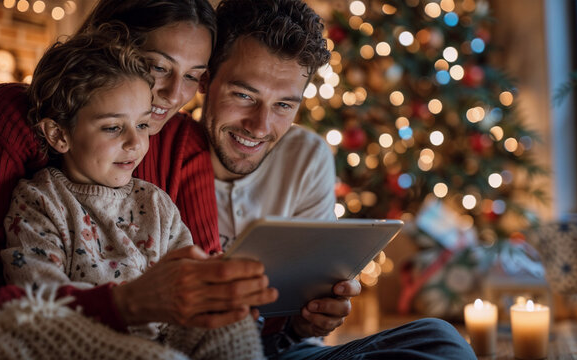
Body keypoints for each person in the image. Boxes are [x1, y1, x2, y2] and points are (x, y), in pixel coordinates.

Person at [0, 0, 276, 335]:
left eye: (193, 75)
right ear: (113, 49)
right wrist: (124, 306)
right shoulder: (23, 140)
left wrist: (292, 321)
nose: (174, 95)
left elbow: (205, 293)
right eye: (158, 67)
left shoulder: (182, 146)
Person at [200, 0, 477, 358]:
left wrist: (309, 320)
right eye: (243, 95)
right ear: (205, 80)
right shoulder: (157, 153)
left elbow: (299, 317)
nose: (260, 126)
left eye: (284, 105)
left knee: (440, 339)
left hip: (281, 352)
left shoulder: (306, 155)